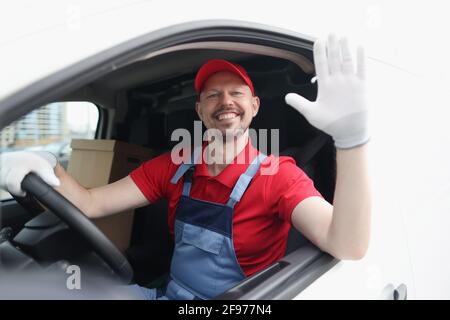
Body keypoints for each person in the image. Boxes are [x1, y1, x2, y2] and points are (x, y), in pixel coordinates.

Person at [0, 34, 371, 300]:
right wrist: (46, 166)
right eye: (212, 94)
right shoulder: (175, 166)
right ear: (200, 110)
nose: (225, 101)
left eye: (236, 93)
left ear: (254, 106)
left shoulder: (280, 176)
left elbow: (348, 245)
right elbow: (92, 203)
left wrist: (351, 139)